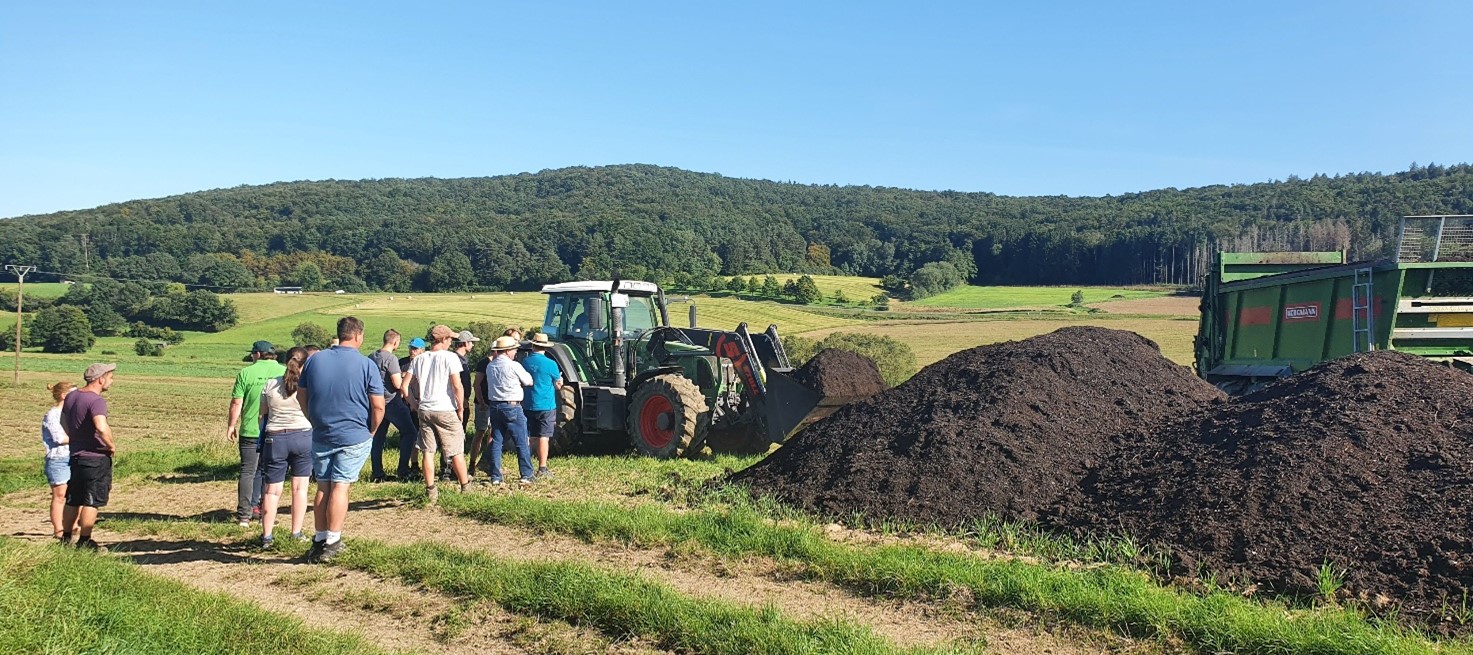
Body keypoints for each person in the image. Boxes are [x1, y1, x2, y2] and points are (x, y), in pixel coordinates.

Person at [298, 317, 385, 563]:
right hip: (353, 434)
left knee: (323, 486)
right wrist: (372, 430)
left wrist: (313, 419)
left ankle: (318, 538)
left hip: (322, 431)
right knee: (340, 486)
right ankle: (333, 541)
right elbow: (378, 406)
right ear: (358, 336)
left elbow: (302, 396)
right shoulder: (366, 364)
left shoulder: (315, 359)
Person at [407, 325, 471, 502]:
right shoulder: (450, 357)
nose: (451, 342)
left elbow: (405, 386)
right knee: (456, 449)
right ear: (443, 340)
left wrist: (414, 403)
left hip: (425, 409)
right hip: (444, 408)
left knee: (428, 451)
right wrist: (460, 408)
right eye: (450, 339)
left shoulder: (419, 359)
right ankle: (465, 486)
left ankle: (431, 490)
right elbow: (457, 385)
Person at [257, 348, 313, 549]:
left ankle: (267, 537)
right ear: (304, 364)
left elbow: (262, 415)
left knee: (272, 491)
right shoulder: (307, 386)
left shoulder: (271, 385)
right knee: (300, 489)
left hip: (276, 438)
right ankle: (296, 532)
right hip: (303, 436)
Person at [226, 341, 284, 528]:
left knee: (247, 471)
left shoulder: (246, 373)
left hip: (250, 430)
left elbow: (237, 403)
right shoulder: (284, 372)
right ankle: (262, 510)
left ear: (258, 354)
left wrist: (231, 425)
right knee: (268, 472)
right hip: (274, 429)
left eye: (253, 354)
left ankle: (244, 515)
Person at [61, 363, 117, 551]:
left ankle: (65, 537)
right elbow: (101, 426)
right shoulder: (96, 400)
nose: (112, 380)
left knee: (73, 497)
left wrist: (75, 437)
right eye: (110, 377)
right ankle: (85, 541)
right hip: (95, 456)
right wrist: (110, 445)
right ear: (100, 379)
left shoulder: (72, 396)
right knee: (91, 500)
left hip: (76, 455)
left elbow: (63, 421)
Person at [483, 335, 534, 485]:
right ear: (506, 351)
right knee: (521, 440)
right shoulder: (514, 365)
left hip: (495, 406)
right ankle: (526, 474)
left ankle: (496, 476)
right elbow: (528, 381)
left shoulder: (490, 366)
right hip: (512, 406)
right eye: (513, 349)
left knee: (497, 440)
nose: (515, 352)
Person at [369, 329, 419, 482]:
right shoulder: (390, 359)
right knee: (410, 432)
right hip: (391, 402)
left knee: (378, 437)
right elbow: (397, 384)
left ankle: (377, 473)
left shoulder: (371, 356)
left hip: (375, 401)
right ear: (395, 342)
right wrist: (405, 377)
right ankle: (403, 470)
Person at [470, 327, 520, 475]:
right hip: (484, 404)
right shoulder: (484, 363)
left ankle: (490, 464)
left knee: (494, 435)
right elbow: (477, 384)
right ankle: (472, 464)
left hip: (496, 403)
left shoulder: (505, 364)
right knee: (480, 432)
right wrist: (482, 402)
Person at [522, 333, 564, 479]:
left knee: (528, 437)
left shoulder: (524, 362)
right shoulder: (551, 364)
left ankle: (526, 467)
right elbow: (558, 385)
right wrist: (560, 383)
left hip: (527, 403)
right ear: (545, 347)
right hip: (546, 405)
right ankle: (542, 467)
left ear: (533, 345)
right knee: (543, 437)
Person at [42, 381, 77, 541]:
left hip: (74, 456)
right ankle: (59, 530)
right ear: (64, 396)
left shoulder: (73, 414)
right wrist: (80, 438)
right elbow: (59, 438)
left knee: (75, 494)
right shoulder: (52, 414)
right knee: (60, 495)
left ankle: (73, 526)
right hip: (58, 458)